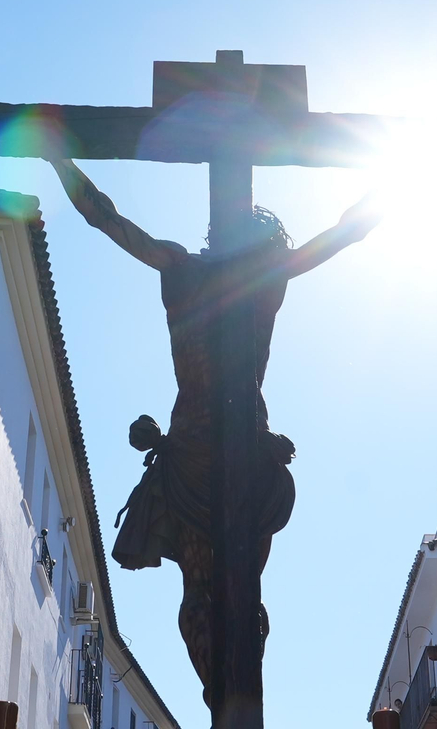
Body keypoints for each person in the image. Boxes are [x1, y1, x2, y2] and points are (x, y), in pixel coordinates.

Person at [46, 158, 383, 716]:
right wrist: (58, 158)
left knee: (229, 594)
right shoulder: (235, 273)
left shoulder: (226, 272)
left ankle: (233, 699)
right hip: (216, 453)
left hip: (241, 452)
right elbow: (105, 218)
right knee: (220, 594)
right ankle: (226, 699)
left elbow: (343, 233)